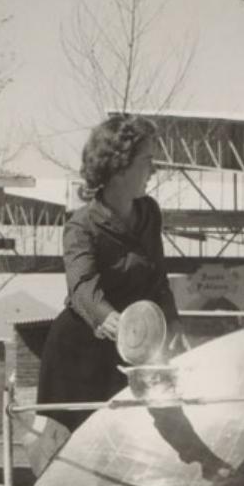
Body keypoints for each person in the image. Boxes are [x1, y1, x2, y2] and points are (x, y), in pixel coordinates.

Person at [37, 116, 181, 434]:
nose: (154, 170)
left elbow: (158, 279)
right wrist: (110, 319)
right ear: (119, 165)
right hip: (80, 354)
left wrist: (173, 326)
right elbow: (82, 287)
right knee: (74, 445)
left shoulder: (149, 213)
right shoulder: (81, 224)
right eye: (147, 161)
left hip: (133, 345)